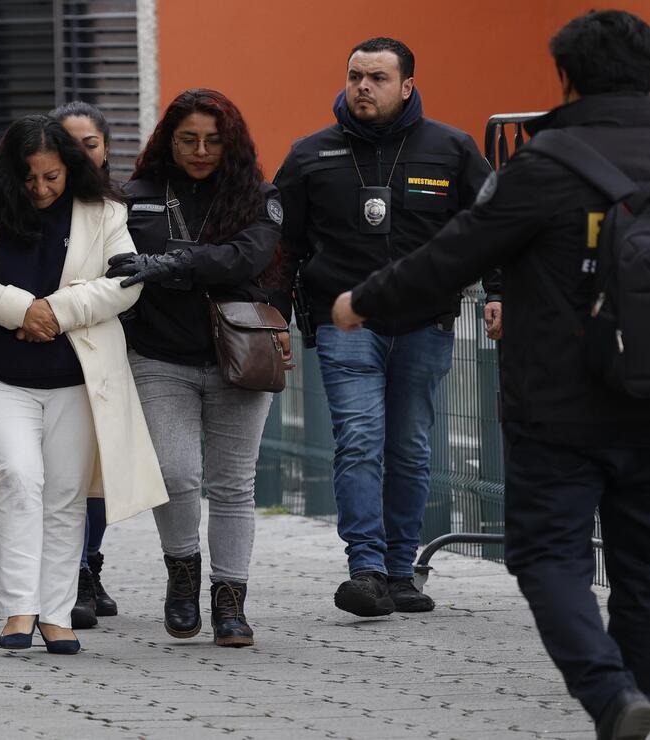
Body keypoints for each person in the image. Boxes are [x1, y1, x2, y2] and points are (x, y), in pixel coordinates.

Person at [331, 10, 650, 738]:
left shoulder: (544, 166)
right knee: (641, 567)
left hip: (557, 404)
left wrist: (361, 302)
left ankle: (609, 696)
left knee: (546, 555)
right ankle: (635, 697)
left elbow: (451, 256)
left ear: (566, 76)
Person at [0, 114, 167, 655]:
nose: (40, 189)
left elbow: (126, 282)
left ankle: (57, 614)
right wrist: (18, 309)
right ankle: (19, 608)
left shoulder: (106, 212)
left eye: (53, 177)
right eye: (30, 178)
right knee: (16, 477)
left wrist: (55, 312)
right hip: (0, 376)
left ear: (72, 170)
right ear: (11, 172)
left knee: (65, 494)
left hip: (78, 381)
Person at [273, 38, 491, 617]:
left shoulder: (452, 149)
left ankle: (402, 572)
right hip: (345, 321)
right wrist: (272, 314)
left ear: (407, 86)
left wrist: (501, 294)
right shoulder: (310, 155)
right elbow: (281, 246)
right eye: (354, 76)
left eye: (377, 77)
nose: (363, 86)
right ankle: (365, 570)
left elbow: (494, 227)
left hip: (425, 321)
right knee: (361, 439)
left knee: (412, 447)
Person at [107, 88, 283, 647]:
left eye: (213, 140)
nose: (201, 150)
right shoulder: (134, 197)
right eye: (189, 139)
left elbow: (249, 258)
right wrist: (192, 269)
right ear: (169, 140)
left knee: (233, 485)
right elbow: (117, 265)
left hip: (240, 359)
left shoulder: (259, 194)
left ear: (230, 142)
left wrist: (168, 265)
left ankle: (230, 603)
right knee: (175, 474)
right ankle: (182, 573)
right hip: (159, 357)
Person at [49, 100, 121, 629]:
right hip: (45, 344)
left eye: (89, 144)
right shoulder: (29, 199)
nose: (79, 155)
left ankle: (90, 565)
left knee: (99, 468)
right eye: (68, 145)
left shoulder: (121, 204)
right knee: (60, 469)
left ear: (106, 148)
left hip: (110, 346)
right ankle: (70, 573)